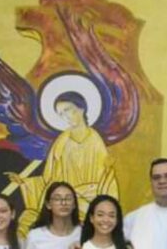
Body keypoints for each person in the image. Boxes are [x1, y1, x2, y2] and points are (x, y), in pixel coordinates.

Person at [7, 91, 118, 234]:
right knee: (27, 221)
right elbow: (49, 178)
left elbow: (106, 178)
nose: (66, 116)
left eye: (68, 110)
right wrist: (25, 183)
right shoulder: (61, 141)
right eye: (61, 114)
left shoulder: (95, 140)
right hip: (63, 201)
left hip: (88, 202)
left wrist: (108, 172)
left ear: (81, 108)